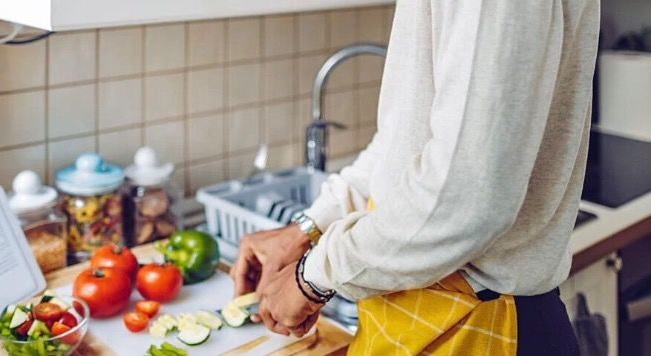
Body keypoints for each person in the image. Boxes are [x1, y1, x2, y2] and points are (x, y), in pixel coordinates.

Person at [231, 1, 599, 354]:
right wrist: (310, 226)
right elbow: (404, 138)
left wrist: (312, 277)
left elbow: (465, 199)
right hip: (429, 317)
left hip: (482, 326)